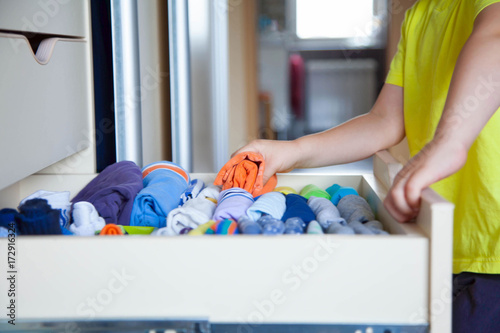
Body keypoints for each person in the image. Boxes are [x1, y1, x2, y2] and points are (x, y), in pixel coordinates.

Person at [235, 1, 500, 331]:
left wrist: (450, 141)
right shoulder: (419, 16)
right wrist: (293, 151)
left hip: (492, 253)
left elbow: (496, 36)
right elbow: (385, 120)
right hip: (442, 245)